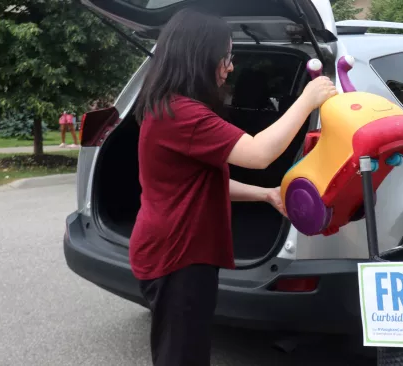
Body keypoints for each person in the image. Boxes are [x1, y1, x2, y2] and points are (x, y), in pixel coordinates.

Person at [130, 8, 337, 366]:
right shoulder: (184, 115)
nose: (229, 67)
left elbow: (204, 184)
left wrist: (265, 194)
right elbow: (259, 154)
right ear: (200, 58)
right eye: (225, 57)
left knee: (180, 350)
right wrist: (307, 100)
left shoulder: (169, 107)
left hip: (171, 251)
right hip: (179, 258)